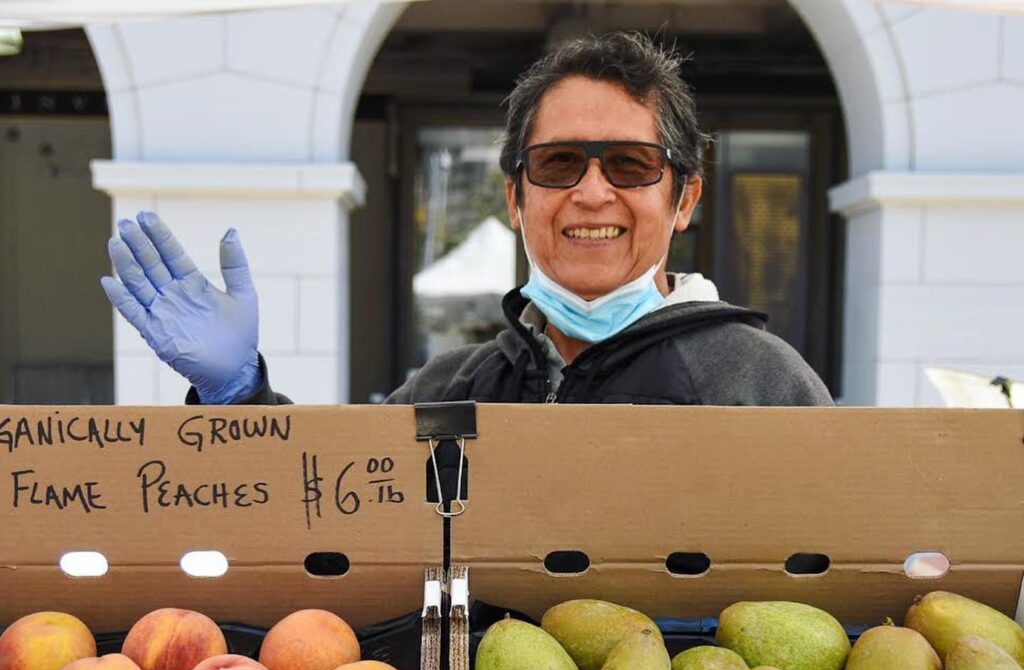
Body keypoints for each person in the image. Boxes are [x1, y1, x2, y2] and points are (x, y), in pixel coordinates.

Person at [101, 32, 833, 408]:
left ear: (685, 200)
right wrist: (240, 398)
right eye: (558, 164)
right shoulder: (453, 388)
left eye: (631, 165)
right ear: (516, 200)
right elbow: (330, 512)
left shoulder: (760, 384)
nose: (591, 192)